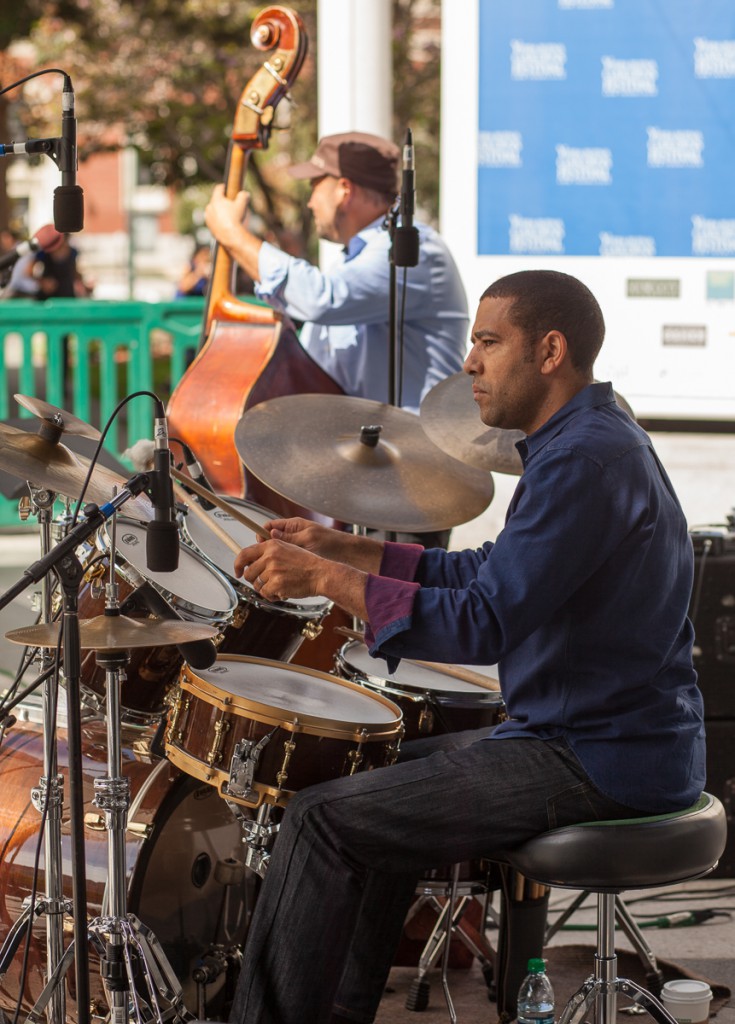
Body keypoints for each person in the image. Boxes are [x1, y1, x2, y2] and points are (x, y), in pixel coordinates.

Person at [225, 269, 705, 1024]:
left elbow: (484, 619)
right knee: (374, 769)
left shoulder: (583, 459)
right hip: (592, 736)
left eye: (488, 342)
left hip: (598, 755)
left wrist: (322, 578)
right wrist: (347, 550)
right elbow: (491, 572)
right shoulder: (585, 440)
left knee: (321, 819)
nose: (470, 364)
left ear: (549, 351)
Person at [204, 130, 469, 548]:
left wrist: (232, 234)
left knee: (393, 607)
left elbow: (323, 299)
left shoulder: (414, 252)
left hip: (409, 477)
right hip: (365, 472)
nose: (309, 201)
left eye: (315, 185)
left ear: (344, 189)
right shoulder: (358, 259)